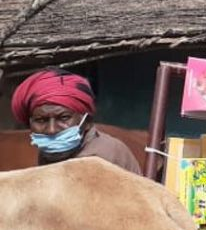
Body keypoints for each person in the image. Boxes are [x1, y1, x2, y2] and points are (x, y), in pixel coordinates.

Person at [11, 68, 142, 175]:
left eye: (63, 118)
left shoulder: (99, 157)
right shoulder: (53, 153)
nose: (51, 130)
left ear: (87, 122)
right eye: (41, 120)